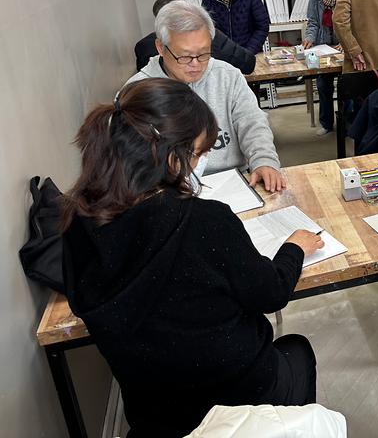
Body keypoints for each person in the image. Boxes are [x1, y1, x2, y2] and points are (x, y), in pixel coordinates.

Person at [60, 78, 323, 438]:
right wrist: (294, 247)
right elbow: (270, 294)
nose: (203, 162)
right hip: (233, 400)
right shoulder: (203, 221)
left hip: (153, 410)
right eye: (199, 153)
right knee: (298, 352)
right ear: (172, 158)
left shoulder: (78, 222)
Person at [127, 0, 285, 192]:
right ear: (160, 48)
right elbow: (133, 163)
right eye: (184, 56)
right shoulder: (138, 91)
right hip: (169, 191)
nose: (195, 64)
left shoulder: (227, 75)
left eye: (203, 54)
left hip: (234, 180)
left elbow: (251, 120)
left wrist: (264, 160)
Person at [135, 0, 256, 74]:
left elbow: (248, 63)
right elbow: (248, 63)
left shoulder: (143, 46)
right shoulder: (212, 35)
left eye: (203, 53)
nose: (194, 63)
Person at [302, 0, 345, 136]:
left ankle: (347, 124)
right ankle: (327, 123)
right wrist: (309, 38)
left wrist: (345, 42)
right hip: (323, 45)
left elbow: (355, 21)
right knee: (322, 84)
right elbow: (312, 21)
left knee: (346, 86)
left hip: (344, 46)